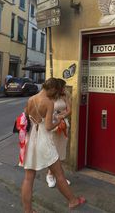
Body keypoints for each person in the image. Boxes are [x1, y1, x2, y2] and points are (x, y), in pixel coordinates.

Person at [21, 77, 85, 212]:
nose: (56, 94)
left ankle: (28, 211)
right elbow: (49, 127)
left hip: (31, 138)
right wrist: (59, 121)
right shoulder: (48, 102)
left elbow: (26, 117)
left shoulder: (31, 99)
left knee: (28, 178)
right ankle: (73, 201)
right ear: (52, 89)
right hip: (44, 140)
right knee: (59, 174)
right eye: (56, 91)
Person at [46, 78, 72, 188]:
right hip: (53, 126)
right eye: (63, 87)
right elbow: (47, 113)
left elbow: (69, 110)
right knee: (53, 152)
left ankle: (58, 175)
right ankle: (50, 174)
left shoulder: (65, 96)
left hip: (64, 126)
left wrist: (62, 116)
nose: (64, 89)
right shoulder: (49, 98)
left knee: (61, 152)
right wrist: (56, 116)